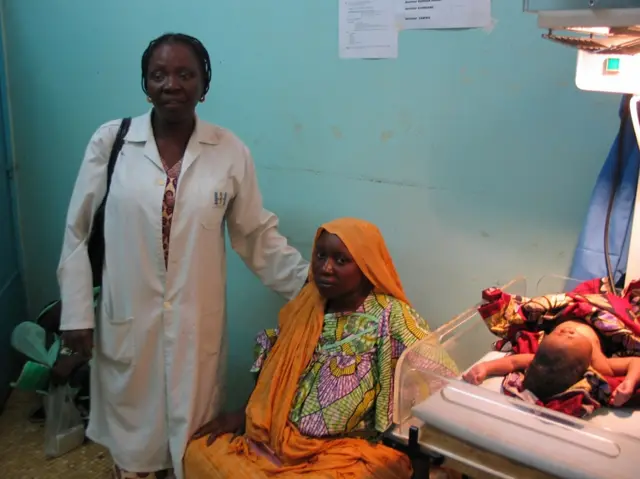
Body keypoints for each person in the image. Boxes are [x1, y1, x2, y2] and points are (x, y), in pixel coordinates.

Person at [57, 33, 309, 479]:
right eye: (158, 74)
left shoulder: (229, 150)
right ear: (145, 83)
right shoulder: (111, 142)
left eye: (184, 74)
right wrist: (77, 313)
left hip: (196, 328)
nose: (170, 84)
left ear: (204, 84)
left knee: (193, 452)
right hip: (129, 324)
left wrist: (311, 287)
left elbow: (255, 235)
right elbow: (77, 230)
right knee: (135, 453)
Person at [185, 218, 460, 479]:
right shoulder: (308, 304)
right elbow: (274, 374)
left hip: (348, 449)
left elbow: (439, 374)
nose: (326, 268)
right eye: (320, 256)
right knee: (198, 453)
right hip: (281, 439)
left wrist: (436, 447)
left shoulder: (391, 315)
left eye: (341, 260)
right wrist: (243, 415)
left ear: (366, 266)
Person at [463, 319, 640, 406]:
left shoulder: (543, 358)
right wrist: (629, 383)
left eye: (559, 332)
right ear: (584, 366)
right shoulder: (597, 363)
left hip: (568, 310)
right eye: (571, 336)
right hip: (602, 320)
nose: (569, 330)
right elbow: (635, 362)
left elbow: (513, 362)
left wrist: (486, 367)